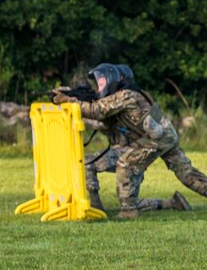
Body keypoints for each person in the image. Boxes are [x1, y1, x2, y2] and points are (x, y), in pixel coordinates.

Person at [53, 63, 207, 219]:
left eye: (101, 81)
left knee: (126, 163)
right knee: (186, 173)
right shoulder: (125, 96)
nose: (99, 85)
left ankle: (129, 211)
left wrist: (69, 101)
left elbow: (97, 111)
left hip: (156, 138)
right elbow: (102, 120)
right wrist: (73, 98)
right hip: (160, 137)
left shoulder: (127, 95)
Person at [79, 65, 190, 216]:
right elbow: (103, 123)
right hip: (127, 155)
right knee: (89, 164)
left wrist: (75, 105)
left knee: (129, 204)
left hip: (132, 158)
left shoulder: (126, 100)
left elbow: (99, 116)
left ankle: (113, 209)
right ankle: (171, 203)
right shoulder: (122, 103)